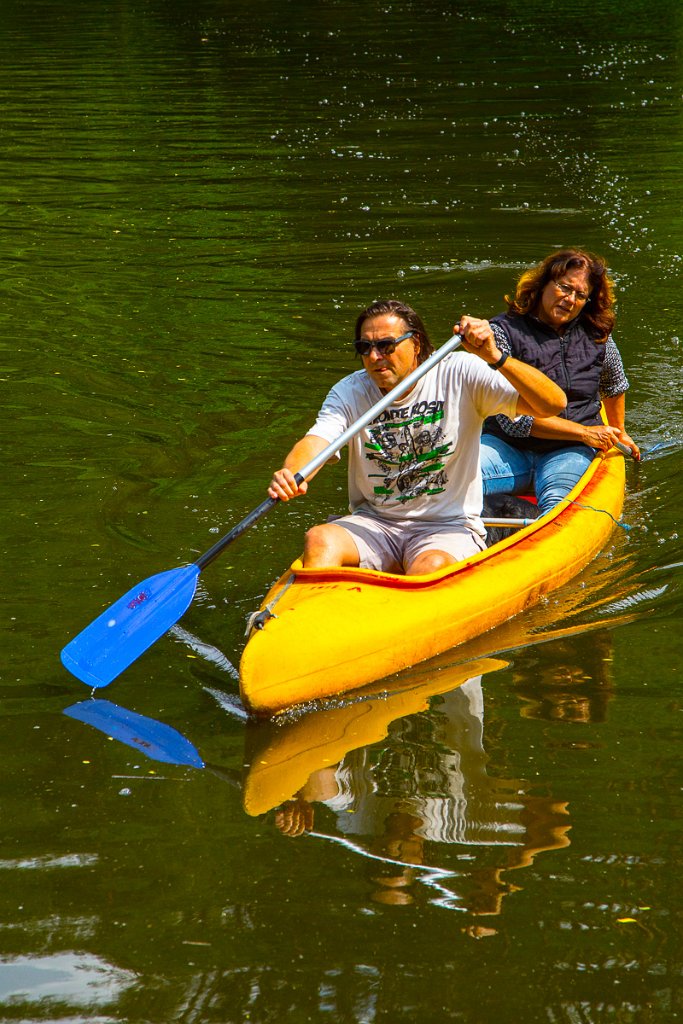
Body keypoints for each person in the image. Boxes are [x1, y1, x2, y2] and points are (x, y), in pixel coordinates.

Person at [268, 298, 566, 575]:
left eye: (386, 345)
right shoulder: (350, 390)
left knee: (430, 565)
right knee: (319, 540)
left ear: (416, 343)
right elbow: (318, 440)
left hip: (447, 525)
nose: (374, 357)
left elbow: (553, 403)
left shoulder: (461, 372)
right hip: (375, 521)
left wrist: (495, 357)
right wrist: (293, 473)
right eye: (365, 347)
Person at [480, 249, 639, 515]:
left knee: (559, 507)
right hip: (506, 445)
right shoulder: (500, 332)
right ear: (543, 284)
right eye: (564, 288)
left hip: (569, 453)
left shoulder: (597, 334)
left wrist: (619, 430)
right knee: (446, 482)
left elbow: (615, 385)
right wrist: (585, 433)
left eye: (580, 295)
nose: (570, 300)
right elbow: (514, 421)